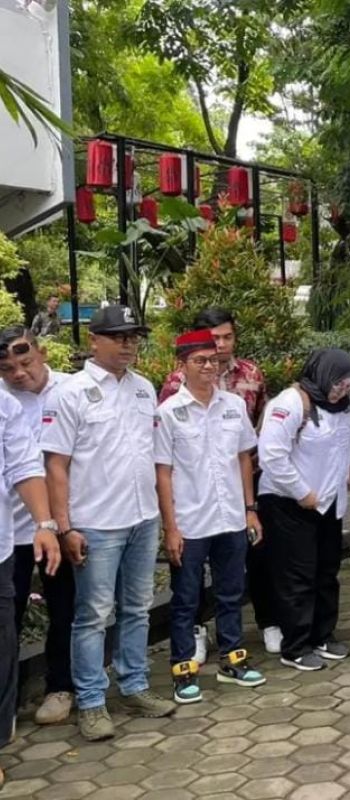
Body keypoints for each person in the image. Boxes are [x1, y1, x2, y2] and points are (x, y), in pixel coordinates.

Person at [41, 305, 176, 742]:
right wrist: (65, 526)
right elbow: (55, 465)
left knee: (137, 609)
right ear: (93, 341)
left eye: (134, 336)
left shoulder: (143, 388)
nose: (128, 344)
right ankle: (93, 702)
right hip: (96, 523)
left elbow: (152, 455)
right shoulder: (71, 393)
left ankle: (134, 686)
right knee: (93, 616)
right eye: (118, 336)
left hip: (141, 518)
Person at [155, 331, 266, 704]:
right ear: (182, 366)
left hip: (231, 517)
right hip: (190, 520)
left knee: (231, 593)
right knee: (186, 599)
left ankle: (233, 661)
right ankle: (183, 670)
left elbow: (244, 458)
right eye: (199, 360)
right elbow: (163, 473)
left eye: (213, 360)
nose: (208, 367)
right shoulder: (169, 413)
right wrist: (170, 528)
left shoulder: (233, 405)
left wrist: (250, 510)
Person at [258, 348, 350, 671]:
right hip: (289, 503)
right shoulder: (290, 404)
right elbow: (271, 455)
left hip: (328, 503)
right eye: (337, 384)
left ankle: (322, 634)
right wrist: (302, 491)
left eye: (347, 384)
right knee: (297, 576)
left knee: (326, 571)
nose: (341, 391)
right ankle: (296, 645)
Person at [0, 325, 74, 725]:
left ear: (42, 353)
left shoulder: (72, 390)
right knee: (7, 620)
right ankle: (5, 706)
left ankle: (60, 686)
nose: (18, 373)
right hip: (12, 530)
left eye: (25, 362)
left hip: (60, 522)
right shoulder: (4, 402)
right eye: (8, 368)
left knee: (65, 608)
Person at [0, 368, 59, 789]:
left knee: (1, 650)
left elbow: (23, 465)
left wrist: (45, 523)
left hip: (0, 551)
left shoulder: (3, 405)